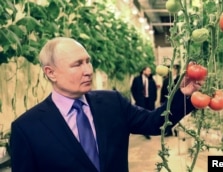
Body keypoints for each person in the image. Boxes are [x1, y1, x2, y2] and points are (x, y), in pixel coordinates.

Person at [9, 37, 204, 172]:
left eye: (88, 62)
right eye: (77, 64)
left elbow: (154, 123)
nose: (88, 71)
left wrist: (183, 95)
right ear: (51, 72)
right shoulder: (27, 128)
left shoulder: (112, 103)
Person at [130, 66, 157, 139]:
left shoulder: (151, 80)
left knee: (149, 115)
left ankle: (147, 130)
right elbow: (133, 89)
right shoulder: (137, 79)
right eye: (148, 71)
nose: (149, 72)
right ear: (143, 71)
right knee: (142, 115)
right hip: (141, 100)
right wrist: (137, 99)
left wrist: (154, 99)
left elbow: (154, 90)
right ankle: (143, 130)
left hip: (149, 101)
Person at [160, 64, 181, 137]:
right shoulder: (166, 80)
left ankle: (176, 130)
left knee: (176, 115)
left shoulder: (179, 79)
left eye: (174, 69)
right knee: (168, 116)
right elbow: (162, 91)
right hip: (167, 101)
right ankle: (168, 131)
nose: (172, 71)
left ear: (176, 71)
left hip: (177, 101)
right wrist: (161, 100)